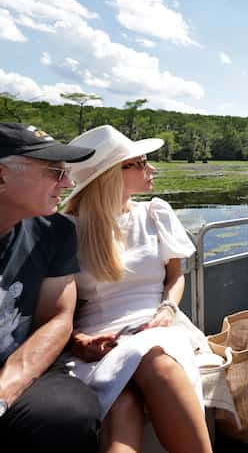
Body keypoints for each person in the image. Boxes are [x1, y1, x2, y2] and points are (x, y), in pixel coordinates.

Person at [61, 125, 211, 453]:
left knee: (156, 360)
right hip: (98, 339)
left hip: (157, 323)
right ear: (111, 174)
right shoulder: (68, 231)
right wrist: (78, 341)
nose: (151, 168)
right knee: (122, 403)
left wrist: (167, 309)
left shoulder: (155, 213)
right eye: (141, 162)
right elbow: (61, 310)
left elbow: (175, 277)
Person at [0, 123, 101, 451]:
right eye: (55, 172)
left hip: (16, 366)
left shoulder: (55, 232)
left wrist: (4, 391)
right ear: (1, 176)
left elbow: (58, 318)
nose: (68, 183)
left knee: (69, 413)